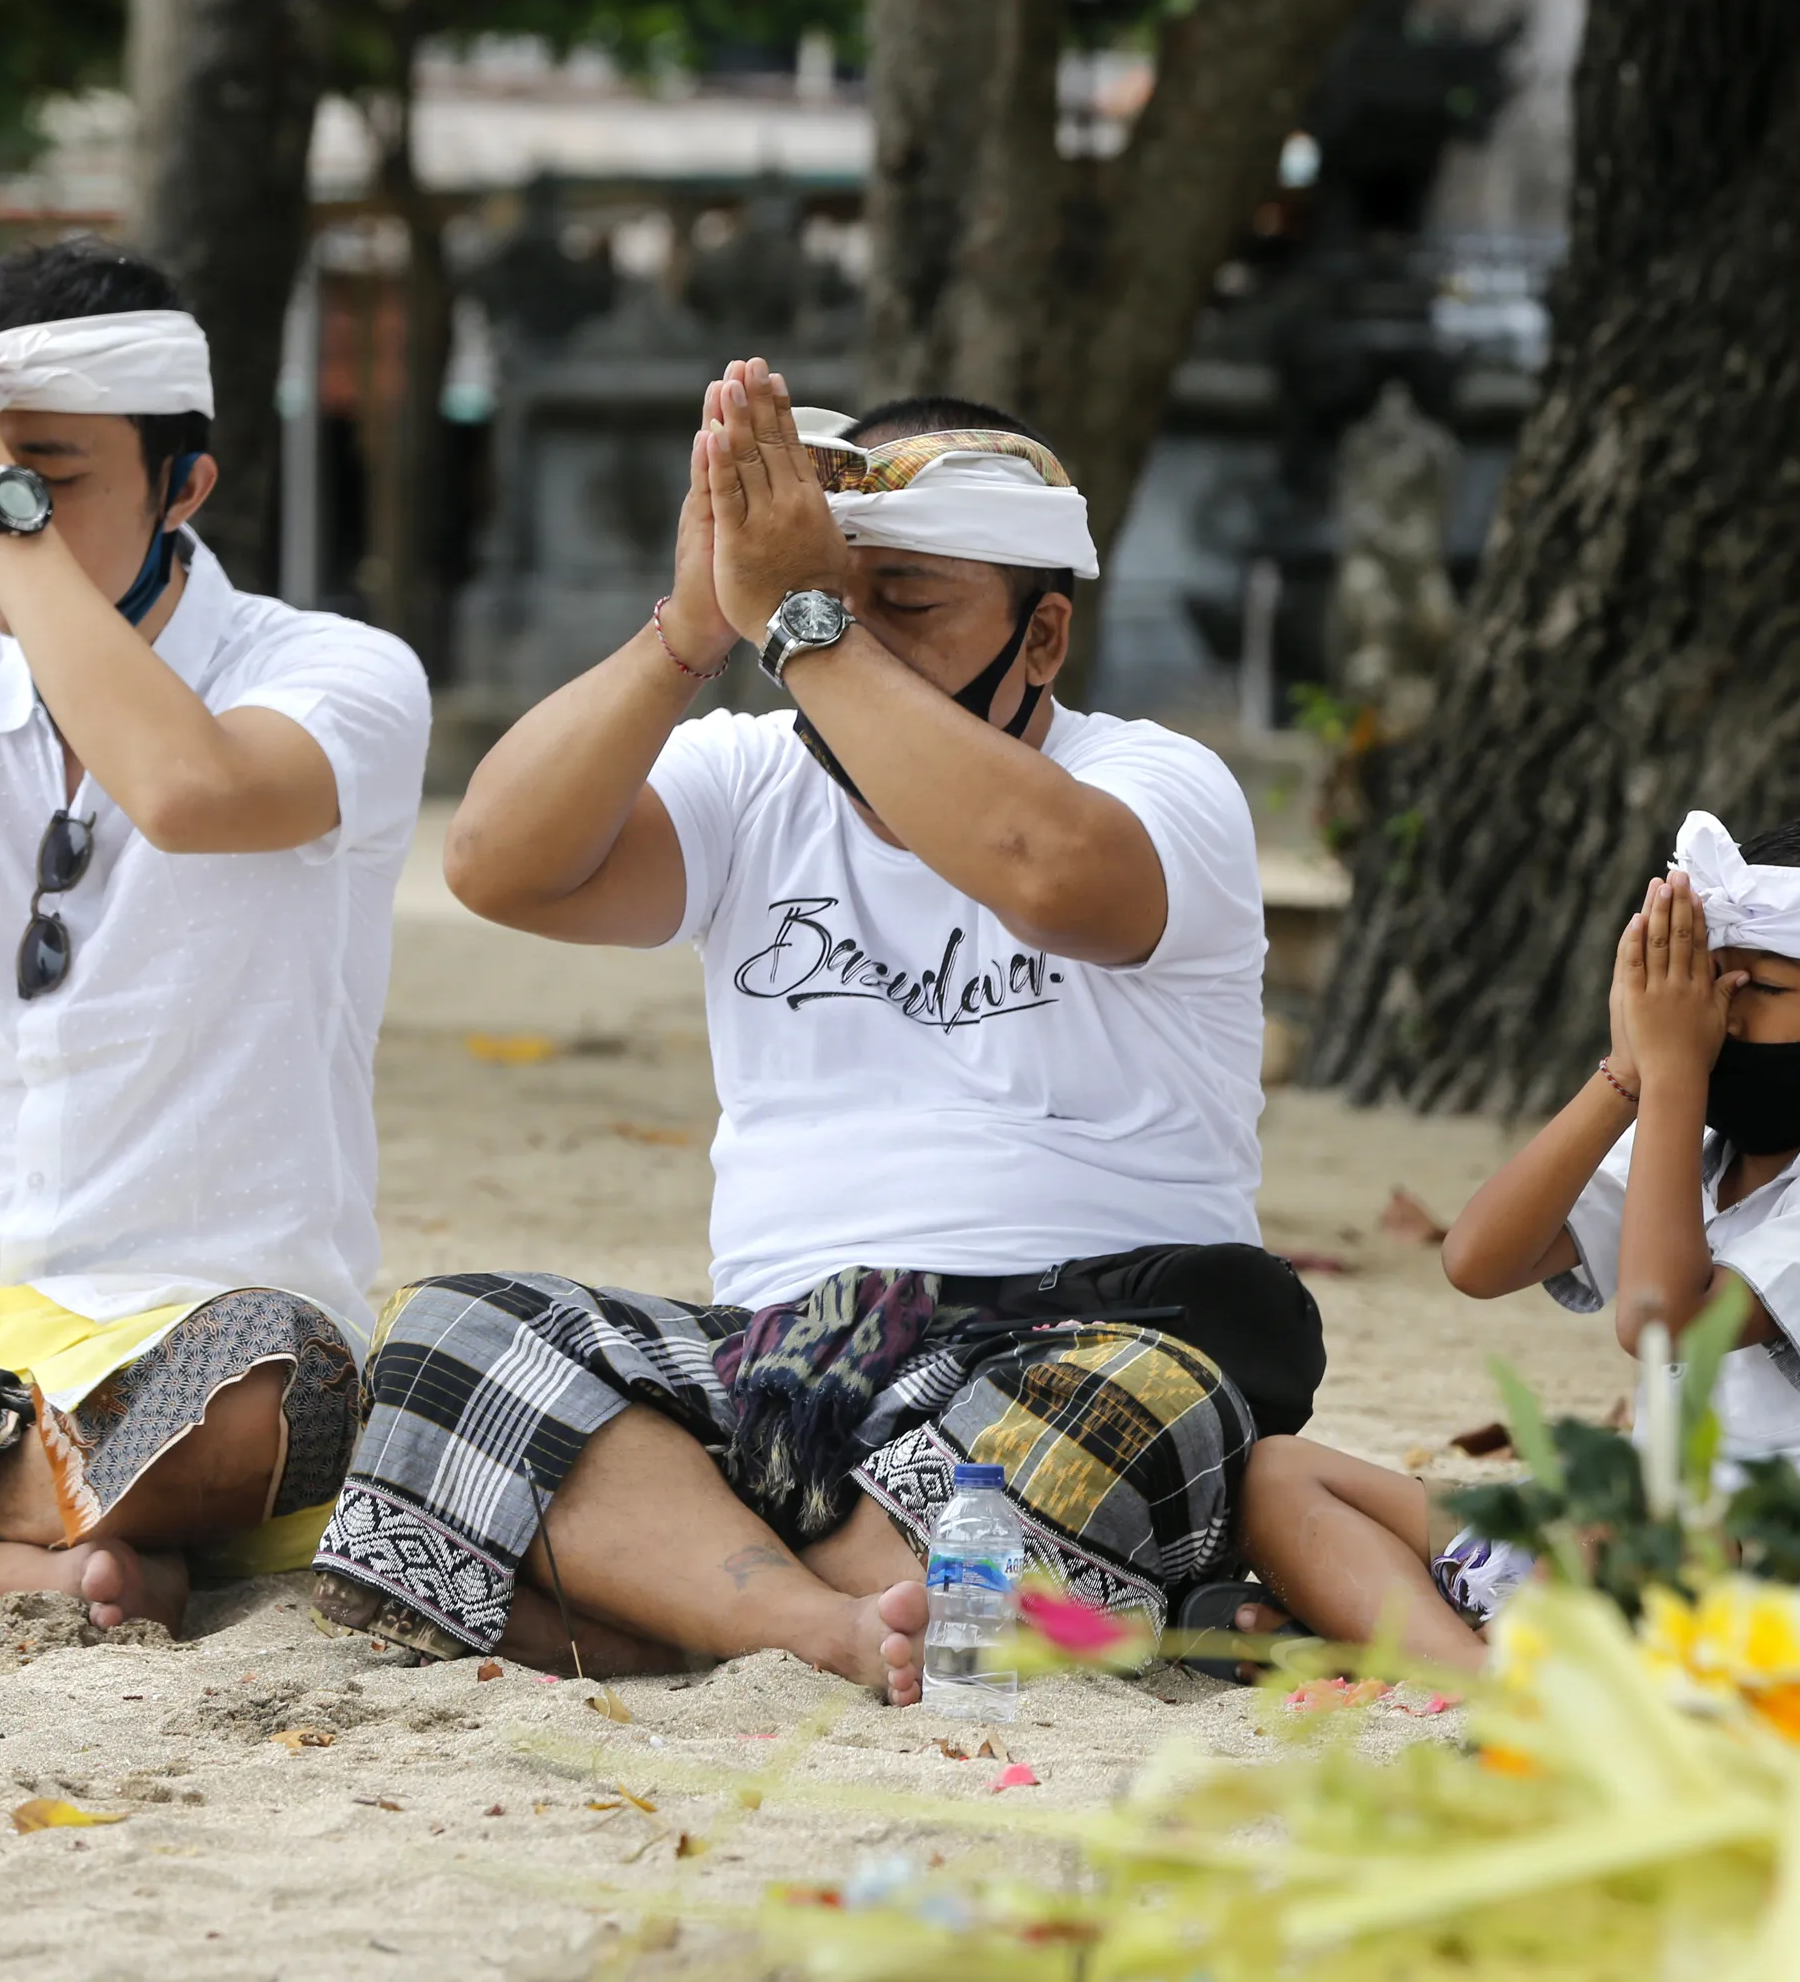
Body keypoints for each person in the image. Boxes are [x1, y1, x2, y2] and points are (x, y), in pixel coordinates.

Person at [313, 364, 1315, 1703]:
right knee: (452, 1335)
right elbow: (500, 864)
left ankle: (678, 1593)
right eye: (815, 600)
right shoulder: (747, 775)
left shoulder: (1155, 782)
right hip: (782, 1370)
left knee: (1143, 1401)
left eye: (901, 606)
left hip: (1066, 1347)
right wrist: (688, 625)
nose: (842, 640)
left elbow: (1049, 873)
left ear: (1044, 639)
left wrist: (804, 626)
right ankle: (828, 1622)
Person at [0, 208, 430, 1634]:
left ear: (187, 487)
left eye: (43, 480)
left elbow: (186, 788)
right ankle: (33, 1558)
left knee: (261, 1405)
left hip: (198, 1331)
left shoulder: (341, 671)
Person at [1239, 808, 1800, 1669]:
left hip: (1768, 1568)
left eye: (1760, 991)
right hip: (1615, 1538)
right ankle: (1481, 1670)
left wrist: (1669, 1078)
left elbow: (1662, 1322)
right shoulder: (1690, 1140)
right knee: (1277, 1473)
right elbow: (1478, 1259)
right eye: (1706, 982)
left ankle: (1461, 1639)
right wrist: (1628, 1072)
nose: (1716, 1019)